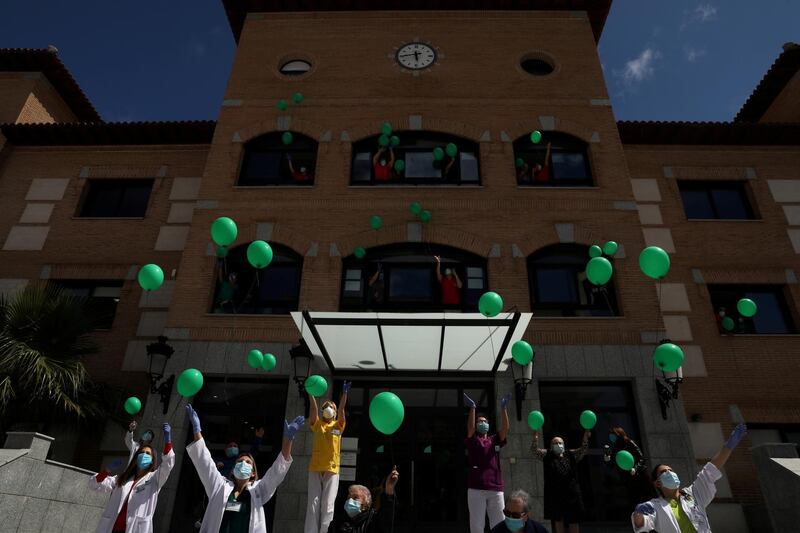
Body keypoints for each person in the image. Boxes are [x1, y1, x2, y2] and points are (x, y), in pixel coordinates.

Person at [184, 404, 305, 533]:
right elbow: (204, 461)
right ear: (233, 469)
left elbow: (277, 471)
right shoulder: (219, 486)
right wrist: (197, 430)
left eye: (248, 462)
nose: (243, 464)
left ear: (253, 473)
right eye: (240, 461)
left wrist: (289, 440)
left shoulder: (259, 490)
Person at [632, 423, 748, 533]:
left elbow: (711, 470)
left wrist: (729, 446)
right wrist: (639, 514)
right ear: (657, 483)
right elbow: (641, 523)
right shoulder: (655, 506)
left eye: (671, 470)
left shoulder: (693, 494)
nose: (669, 472)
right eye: (664, 472)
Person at [89, 423, 175, 533]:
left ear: (152, 460)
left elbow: (168, 464)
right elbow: (94, 484)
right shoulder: (122, 479)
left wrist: (168, 440)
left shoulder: (155, 479)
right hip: (112, 528)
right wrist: (107, 470)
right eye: (142, 453)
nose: (144, 455)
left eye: (148, 454)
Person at [305, 381, 351, 533]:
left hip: (332, 468)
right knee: (313, 503)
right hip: (315, 467)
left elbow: (343, 408)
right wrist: (309, 391)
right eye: (325, 406)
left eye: (331, 407)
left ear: (335, 412)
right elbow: (313, 408)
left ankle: (326, 531)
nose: (327, 409)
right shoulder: (317, 425)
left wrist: (344, 394)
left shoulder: (338, 425)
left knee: (328, 505)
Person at [464, 392, 512, 533]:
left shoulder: (494, 439)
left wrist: (503, 409)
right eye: (480, 422)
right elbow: (471, 429)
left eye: (485, 421)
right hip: (476, 488)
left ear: (489, 425)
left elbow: (505, 429)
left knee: (499, 524)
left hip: (495, 488)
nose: (482, 423)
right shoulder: (473, 440)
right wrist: (473, 408)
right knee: (477, 526)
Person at [531, 427, 591, 533]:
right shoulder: (548, 455)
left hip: (571, 493)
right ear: (551, 446)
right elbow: (534, 451)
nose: (558, 445)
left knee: (573, 519)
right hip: (555, 494)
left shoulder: (571, 455)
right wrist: (535, 438)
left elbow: (583, 450)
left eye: (560, 443)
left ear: (563, 444)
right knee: (558, 519)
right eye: (555, 443)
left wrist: (585, 437)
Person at [326, 466, 399, 533]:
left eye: (355, 497)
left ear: (366, 504)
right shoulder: (337, 523)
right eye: (348, 498)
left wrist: (389, 488)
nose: (350, 501)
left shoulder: (373, 521)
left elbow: (387, 514)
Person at [603, 426, 653, 508]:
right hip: (628, 480)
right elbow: (611, 465)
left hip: (640, 476)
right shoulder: (615, 449)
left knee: (648, 498)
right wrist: (607, 459)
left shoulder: (629, 442)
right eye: (610, 436)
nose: (611, 438)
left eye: (613, 435)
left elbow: (642, 458)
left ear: (619, 434)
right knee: (635, 503)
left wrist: (635, 468)